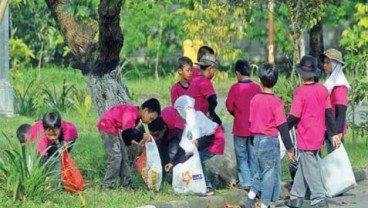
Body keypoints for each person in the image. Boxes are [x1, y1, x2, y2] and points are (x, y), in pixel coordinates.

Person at [284, 55, 341, 208]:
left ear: (302, 74)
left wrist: (283, 127)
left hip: (305, 137)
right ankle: (296, 196)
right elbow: (329, 113)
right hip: (318, 136)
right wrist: (334, 133)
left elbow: (294, 116)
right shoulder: (323, 90)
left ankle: (319, 198)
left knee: (312, 167)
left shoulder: (300, 92)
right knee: (305, 165)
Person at [243, 64, 294, 208]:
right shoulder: (277, 102)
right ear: (276, 81)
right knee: (268, 174)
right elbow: (283, 128)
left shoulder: (254, 100)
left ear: (260, 80)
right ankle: (265, 204)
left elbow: (251, 121)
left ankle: (250, 197)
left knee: (260, 170)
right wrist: (290, 148)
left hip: (257, 140)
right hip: (270, 141)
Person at [164, 95, 225, 196]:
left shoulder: (199, 117)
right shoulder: (188, 125)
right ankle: (197, 184)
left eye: (178, 113)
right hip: (206, 142)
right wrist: (172, 163)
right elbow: (183, 147)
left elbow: (211, 137)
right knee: (191, 159)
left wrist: (199, 141)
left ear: (183, 111)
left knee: (198, 160)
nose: (178, 116)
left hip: (215, 141)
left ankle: (207, 186)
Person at [96, 98, 161, 190]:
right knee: (115, 157)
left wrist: (136, 142)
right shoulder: (131, 113)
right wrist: (142, 135)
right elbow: (127, 132)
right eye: (151, 118)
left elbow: (127, 136)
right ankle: (108, 185)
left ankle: (126, 184)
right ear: (146, 110)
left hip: (114, 129)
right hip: (107, 126)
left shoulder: (136, 119)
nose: (150, 122)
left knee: (124, 157)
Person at [225, 59, 261, 191]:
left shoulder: (235, 88)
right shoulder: (257, 87)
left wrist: (236, 113)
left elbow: (229, 106)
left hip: (240, 127)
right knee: (252, 155)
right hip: (254, 128)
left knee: (241, 155)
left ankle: (245, 181)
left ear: (238, 73)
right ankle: (253, 180)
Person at [26, 112, 78, 187]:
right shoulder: (41, 138)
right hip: (34, 143)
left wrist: (64, 140)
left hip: (69, 136)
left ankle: (54, 184)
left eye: (54, 134)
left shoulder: (69, 130)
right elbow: (42, 160)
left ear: (59, 128)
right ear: (44, 130)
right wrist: (43, 177)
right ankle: (45, 182)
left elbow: (60, 155)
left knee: (58, 158)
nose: (52, 137)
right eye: (49, 135)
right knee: (45, 161)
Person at [320, 48, 350, 154]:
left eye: (328, 63)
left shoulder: (339, 86)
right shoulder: (331, 82)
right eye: (324, 62)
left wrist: (336, 133)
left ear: (335, 64)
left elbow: (341, 111)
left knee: (335, 160)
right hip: (329, 127)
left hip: (334, 129)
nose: (325, 65)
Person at [186, 53, 222, 125]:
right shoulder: (205, 81)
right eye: (214, 71)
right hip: (200, 119)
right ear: (209, 69)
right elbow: (213, 100)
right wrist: (212, 116)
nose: (214, 74)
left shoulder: (194, 80)